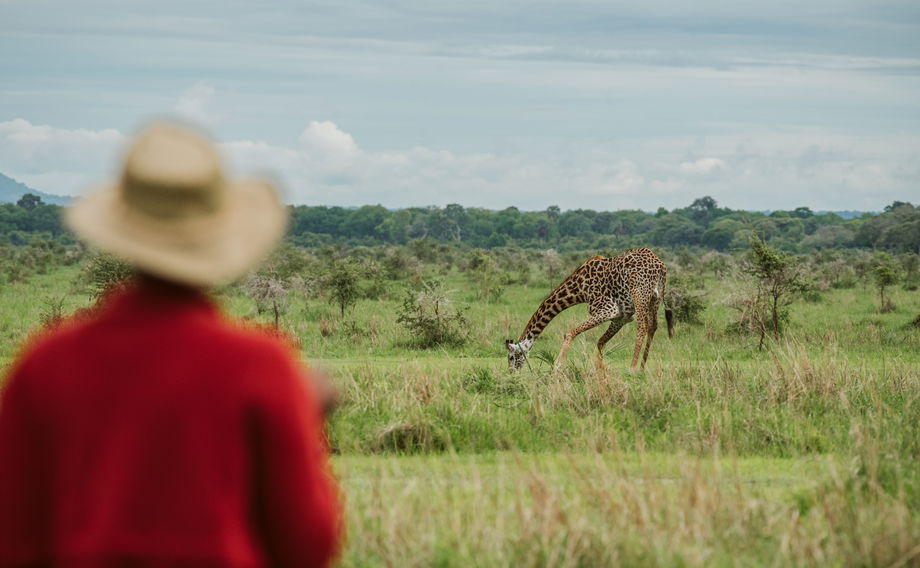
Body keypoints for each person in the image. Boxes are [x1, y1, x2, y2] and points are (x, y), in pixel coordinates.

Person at [0, 121, 342, 567]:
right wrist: (306, 418)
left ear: (122, 225)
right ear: (221, 230)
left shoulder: (47, 361)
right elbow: (308, 543)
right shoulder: (259, 364)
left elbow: (15, 540)